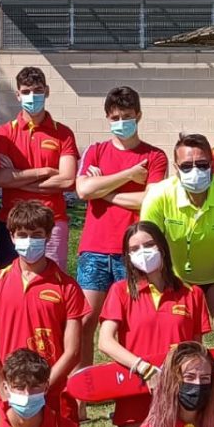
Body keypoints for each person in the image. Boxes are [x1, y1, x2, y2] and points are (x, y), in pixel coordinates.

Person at [94, 220, 210, 427]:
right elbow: (105, 341)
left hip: (179, 394)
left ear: (163, 248)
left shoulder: (192, 294)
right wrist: (144, 369)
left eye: (149, 245)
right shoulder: (120, 291)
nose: (143, 252)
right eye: (134, 248)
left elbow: (197, 350)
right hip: (136, 391)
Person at [73, 86, 168, 361]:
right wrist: (129, 174)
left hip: (135, 251)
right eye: (115, 118)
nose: (120, 122)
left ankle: (134, 382)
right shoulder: (96, 150)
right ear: (107, 118)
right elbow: (83, 190)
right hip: (95, 249)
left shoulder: (155, 156)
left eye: (126, 116)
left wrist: (105, 190)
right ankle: (83, 391)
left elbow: (150, 200)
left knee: (135, 322)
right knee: (85, 323)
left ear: (138, 115)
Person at [0, 199, 87, 411]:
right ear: (12, 236)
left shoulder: (68, 287)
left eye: (37, 235)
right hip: (3, 393)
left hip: (52, 394)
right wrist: (6, 393)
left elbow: (73, 351)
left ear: (47, 236)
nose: (29, 240)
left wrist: (39, 392)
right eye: (23, 235)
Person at [138, 133, 214, 316]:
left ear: (213, 165)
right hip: (173, 277)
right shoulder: (158, 196)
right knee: (177, 337)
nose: (195, 171)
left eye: (202, 165)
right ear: (176, 168)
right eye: (186, 166)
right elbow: (147, 249)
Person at [0, 66, 77, 269]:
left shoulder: (63, 133)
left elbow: (68, 180)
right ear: (18, 95)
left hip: (52, 222)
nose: (32, 96)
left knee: (54, 284)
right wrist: (45, 172)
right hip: (11, 222)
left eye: (38, 91)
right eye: (26, 92)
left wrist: (18, 179)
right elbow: (0, 179)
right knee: (8, 285)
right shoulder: (4, 134)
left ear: (46, 91)